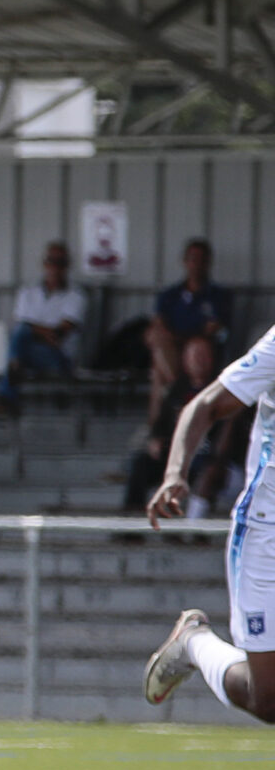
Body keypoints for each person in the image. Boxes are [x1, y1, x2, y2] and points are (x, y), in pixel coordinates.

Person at [142, 317, 275, 723]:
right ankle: (194, 643)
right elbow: (203, 404)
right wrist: (175, 473)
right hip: (267, 534)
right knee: (267, 700)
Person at [124, 335, 244, 517]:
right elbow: (161, 424)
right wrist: (156, 439)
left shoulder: (224, 391)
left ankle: (193, 529)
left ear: (212, 358)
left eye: (203, 354)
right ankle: (130, 526)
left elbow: (228, 433)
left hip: (208, 457)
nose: (198, 360)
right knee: (141, 464)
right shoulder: (178, 390)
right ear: (185, 359)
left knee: (209, 472)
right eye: (194, 354)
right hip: (177, 455)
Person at [148, 238, 234, 420]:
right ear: (185, 261)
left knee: (160, 371)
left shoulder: (218, 295)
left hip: (202, 351)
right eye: (193, 259)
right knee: (156, 344)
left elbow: (212, 329)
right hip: (174, 350)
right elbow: (159, 325)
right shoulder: (170, 295)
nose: (197, 264)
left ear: (209, 262)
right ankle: (175, 392)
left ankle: (160, 420)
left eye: (202, 259)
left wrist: (181, 337)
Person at [2, 240, 84, 403]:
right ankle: (13, 374)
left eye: (61, 262)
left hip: (59, 357)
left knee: (20, 338)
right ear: (44, 264)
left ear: (67, 266)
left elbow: (59, 334)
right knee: (19, 337)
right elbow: (22, 327)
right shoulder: (27, 292)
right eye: (52, 261)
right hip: (29, 350)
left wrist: (32, 330)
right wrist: (42, 332)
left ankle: (6, 396)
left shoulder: (76, 296)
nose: (55, 267)